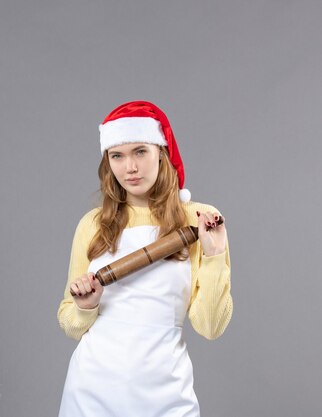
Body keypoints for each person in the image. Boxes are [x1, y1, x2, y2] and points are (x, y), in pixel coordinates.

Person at [57, 100, 233, 417]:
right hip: (92, 391)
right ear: (107, 162)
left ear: (161, 154)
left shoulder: (200, 219)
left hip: (166, 392)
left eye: (140, 151)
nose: (130, 167)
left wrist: (214, 254)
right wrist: (86, 306)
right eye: (117, 156)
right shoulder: (93, 225)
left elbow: (210, 326)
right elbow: (70, 323)